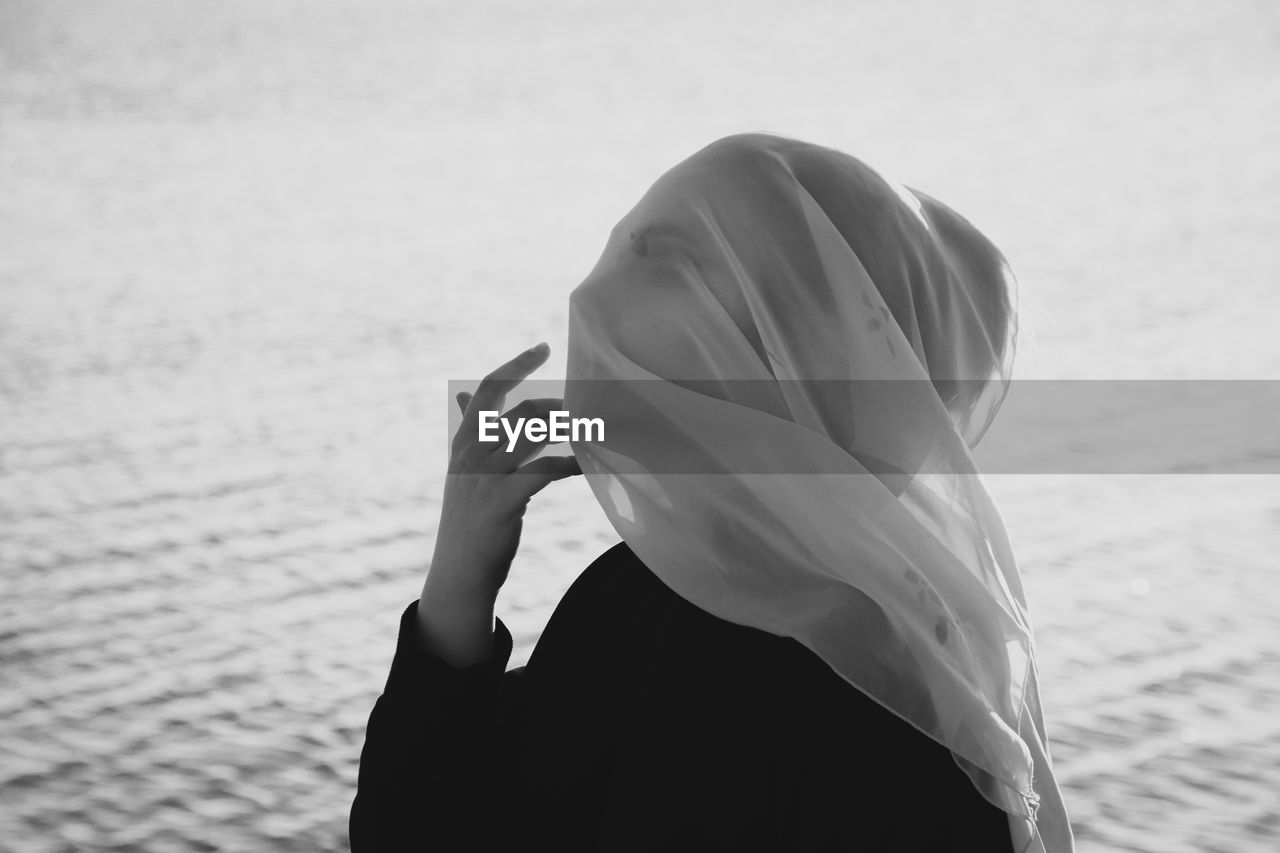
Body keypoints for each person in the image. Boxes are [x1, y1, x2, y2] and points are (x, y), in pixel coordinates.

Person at [350, 134, 1074, 852]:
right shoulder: (638, 599)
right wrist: (461, 579)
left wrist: (459, 575)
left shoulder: (891, 694)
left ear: (792, 355)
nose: (614, 301)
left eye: (683, 265)